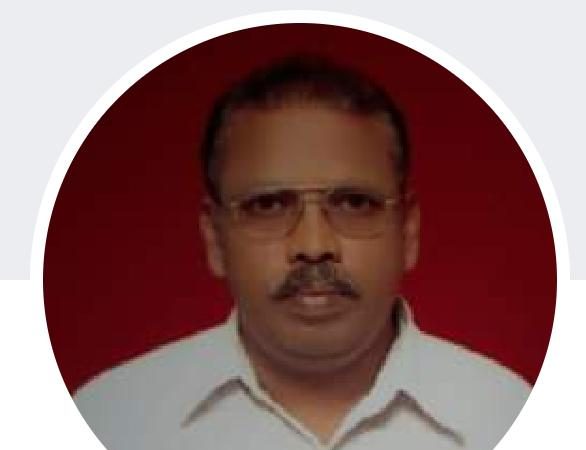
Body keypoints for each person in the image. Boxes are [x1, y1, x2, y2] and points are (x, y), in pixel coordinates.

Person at [74, 56, 531, 450]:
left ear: (407, 230)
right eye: (268, 206)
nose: (314, 246)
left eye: (354, 203)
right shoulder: (110, 419)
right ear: (214, 237)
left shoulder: (508, 413)